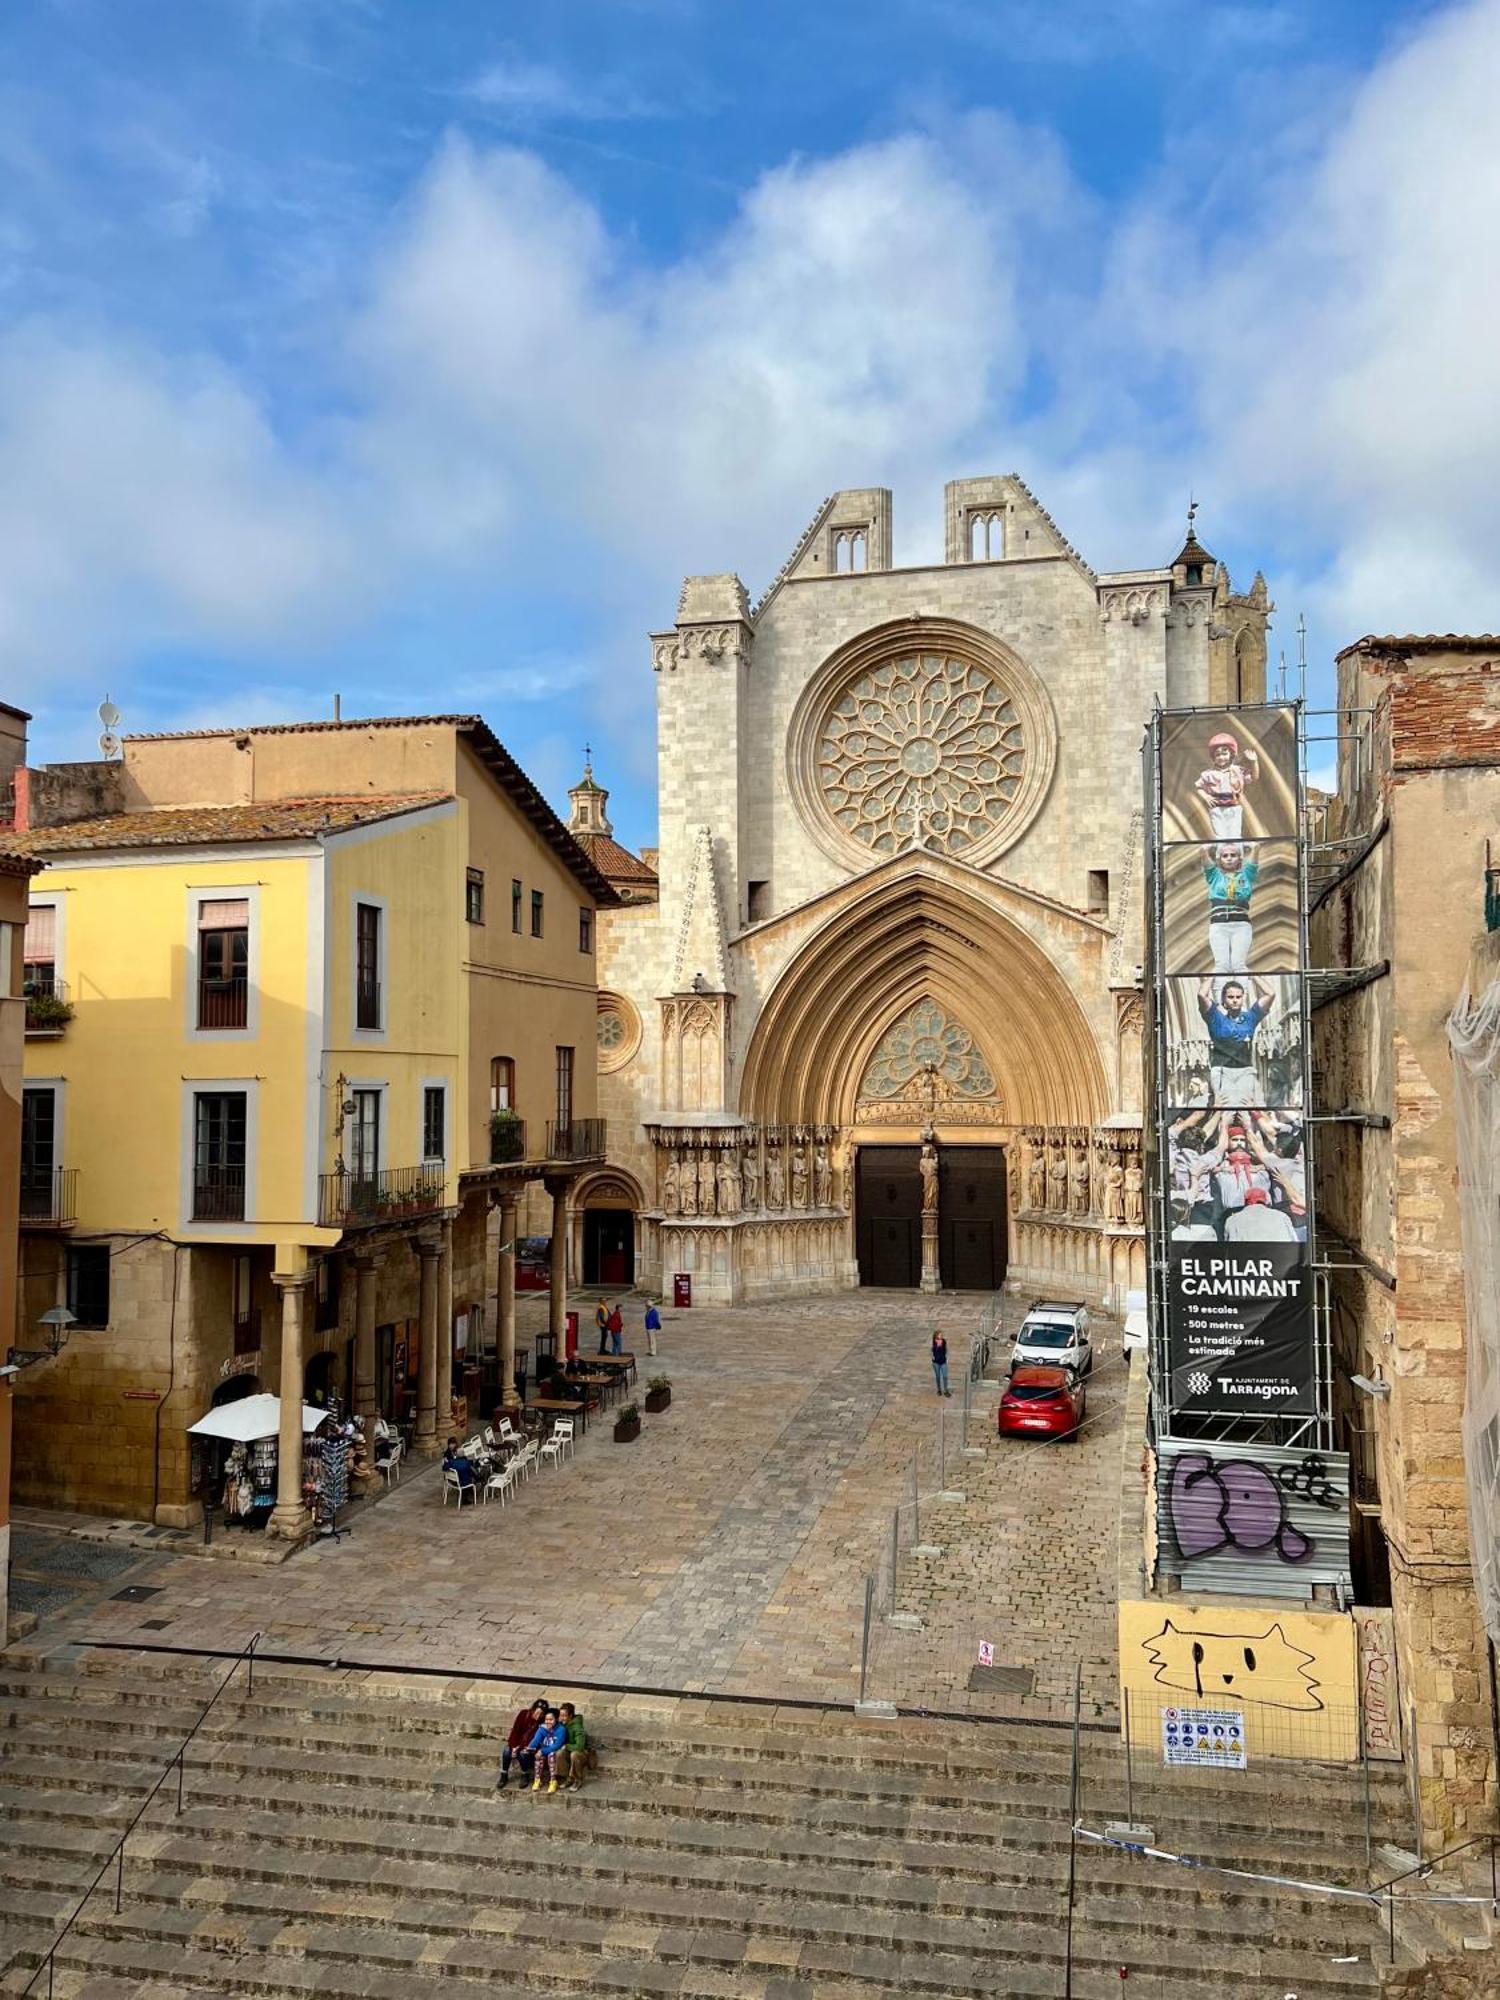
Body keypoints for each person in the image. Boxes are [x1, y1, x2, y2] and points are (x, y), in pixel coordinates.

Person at [1196, 977, 1274, 1108]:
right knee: (1223, 1109)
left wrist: (1253, 975)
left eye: (1238, 996)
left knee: (1249, 1109)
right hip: (1221, 1071)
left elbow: (1270, 994)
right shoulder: (1215, 1017)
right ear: (1224, 999)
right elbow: (1201, 995)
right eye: (1230, 997)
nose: (1235, 1000)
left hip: (1244, 1070)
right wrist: (1213, 975)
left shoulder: (1250, 1018)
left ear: (1243, 998)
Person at [1201, 842, 1259, 974]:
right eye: (1225, 855)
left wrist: (1253, 846)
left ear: (1239, 858)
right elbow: (1203, 855)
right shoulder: (1215, 876)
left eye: (1233, 855)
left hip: (1241, 924)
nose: (1229, 858)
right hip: (1219, 924)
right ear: (1219, 859)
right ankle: (1221, 992)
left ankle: (1242, 992)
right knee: (1221, 965)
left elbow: (1255, 855)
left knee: (1239, 964)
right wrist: (1207, 847)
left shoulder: (1246, 875)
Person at [1193, 731, 1260, 839]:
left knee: (1235, 834)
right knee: (1220, 835)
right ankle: (1222, 853)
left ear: (1231, 755)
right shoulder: (1208, 774)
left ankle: (1235, 853)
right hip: (1217, 808)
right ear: (1213, 757)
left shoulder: (1238, 771)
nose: (1221, 757)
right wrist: (1206, 797)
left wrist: (1254, 762)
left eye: (1224, 754)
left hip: (1234, 806)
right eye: (1217, 754)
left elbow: (1254, 777)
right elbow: (1199, 787)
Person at [497, 1697, 547, 1789]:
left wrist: (519, 1748)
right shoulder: (523, 1714)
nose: (538, 1715)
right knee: (507, 1750)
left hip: (529, 1746)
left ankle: (525, 1774)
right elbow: (515, 1732)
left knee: (523, 1753)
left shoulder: (542, 1724)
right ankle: (504, 1774)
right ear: (533, 1709)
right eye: (537, 1712)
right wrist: (514, 1746)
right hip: (517, 1743)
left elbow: (535, 1739)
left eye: (541, 1714)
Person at [528, 1707, 568, 1794]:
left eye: (551, 1719)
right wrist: (529, 1748)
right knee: (539, 1757)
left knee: (551, 1755)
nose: (548, 1722)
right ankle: (537, 1780)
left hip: (555, 1750)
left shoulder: (561, 1729)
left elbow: (557, 1745)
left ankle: (553, 1781)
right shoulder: (542, 1728)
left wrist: (542, 1751)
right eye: (546, 1719)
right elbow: (536, 1740)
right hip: (544, 1749)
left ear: (556, 1719)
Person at [558, 1701, 592, 1790]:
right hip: (569, 1750)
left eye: (564, 1716)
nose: (562, 1718)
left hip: (582, 1752)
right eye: (560, 1715)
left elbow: (580, 1746)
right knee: (559, 1753)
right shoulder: (561, 1724)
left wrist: (567, 1746)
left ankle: (577, 1779)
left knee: (574, 1754)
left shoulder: (577, 1727)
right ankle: (567, 1778)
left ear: (570, 1716)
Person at [931, 1330, 950, 1397]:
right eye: (940, 1335)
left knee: (945, 1376)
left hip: (943, 1361)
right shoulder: (934, 1342)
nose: (941, 1336)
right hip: (936, 1362)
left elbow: (946, 1350)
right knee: (938, 1376)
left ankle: (945, 1390)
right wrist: (932, 1357)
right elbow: (932, 1350)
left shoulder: (944, 1341)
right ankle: (939, 1389)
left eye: (942, 1335)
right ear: (936, 1336)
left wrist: (947, 1357)